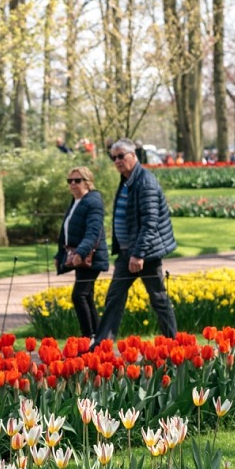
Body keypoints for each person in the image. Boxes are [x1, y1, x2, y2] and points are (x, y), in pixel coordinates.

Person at [91, 141, 178, 347]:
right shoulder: (127, 180)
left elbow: (150, 223)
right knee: (114, 297)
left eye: (121, 156)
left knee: (158, 299)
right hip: (127, 253)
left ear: (134, 155)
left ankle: (175, 344)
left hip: (145, 254)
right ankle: (102, 346)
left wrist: (138, 254)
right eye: (114, 158)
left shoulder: (145, 182)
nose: (117, 161)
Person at [56, 165, 108, 338]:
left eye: (77, 180)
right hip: (80, 256)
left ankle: (89, 337)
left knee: (79, 295)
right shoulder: (77, 202)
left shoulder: (93, 202)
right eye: (70, 181)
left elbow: (93, 232)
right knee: (86, 296)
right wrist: (60, 255)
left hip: (90, 258)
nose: (72, 184)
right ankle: (97, 337)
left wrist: (81, 252)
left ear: (88, 182)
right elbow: (67, 231)